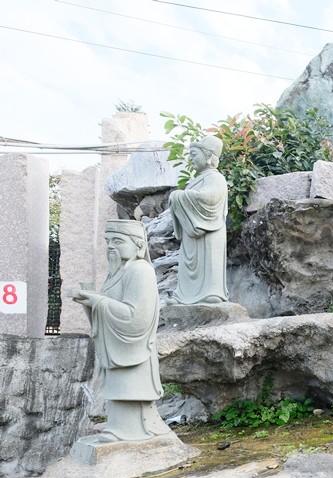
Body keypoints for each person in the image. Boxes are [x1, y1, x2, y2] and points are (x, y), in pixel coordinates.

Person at [68, 220, 171, 443]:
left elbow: (137, 317)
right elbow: (109, 306)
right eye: (107, 242)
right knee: (118, 389)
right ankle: (119, 427)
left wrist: (99, 302)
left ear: (139, 246)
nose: (111, 247)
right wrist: (91, 302)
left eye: (118, 241)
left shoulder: (141, 271)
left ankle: (132, 430)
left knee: (130, 388)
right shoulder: (115, 274)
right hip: (114, 345)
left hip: (132, 346)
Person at [167, 134, 229, 304]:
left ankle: (212, 292)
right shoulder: (195, 181)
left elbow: (210, 199)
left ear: (208, 156)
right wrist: (182, 197)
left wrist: (179, 196)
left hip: (210, 229)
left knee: (210, 261)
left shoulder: (217, 178)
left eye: (194, 155)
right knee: (189, 262)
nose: (190, 159)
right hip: (191, 229)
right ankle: (184, 295)